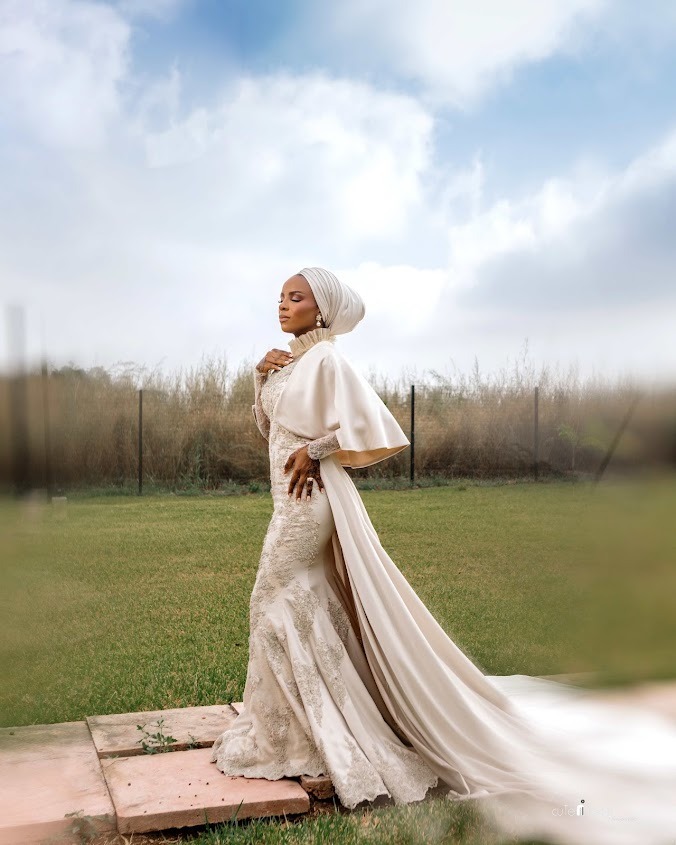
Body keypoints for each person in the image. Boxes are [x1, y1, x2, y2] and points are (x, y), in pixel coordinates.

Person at [211, 267, 676, 844]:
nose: (283, 305)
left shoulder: (329, 360)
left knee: (270, 597)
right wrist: (260, 379)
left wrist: (316, 448)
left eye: (296, 297)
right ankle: (306, 723)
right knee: (296, 602)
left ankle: (311, 729)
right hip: (286, 498)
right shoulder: (293, 363)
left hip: (311, 501)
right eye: (280, 297)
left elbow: (371, 427)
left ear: (322, 310)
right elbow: (267, 432)